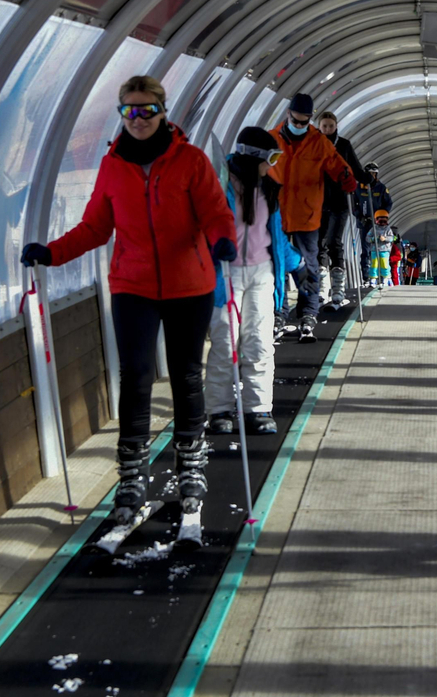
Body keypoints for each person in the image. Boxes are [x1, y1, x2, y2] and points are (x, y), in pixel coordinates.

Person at [22, 75, 237, 530]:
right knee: (136, 376)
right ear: (121, 114)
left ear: (163, 112)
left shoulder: (190, 161)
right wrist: (52, 252)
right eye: (128, 111)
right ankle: (132, 475)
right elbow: (95, 228)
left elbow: (216, 212)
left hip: (189, 285)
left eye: (146, 110)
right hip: (132, 285)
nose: (137, 120)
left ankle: (190, 466)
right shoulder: (112, 166)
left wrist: (222, 242)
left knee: (185, 375)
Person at [207, 128, 295, 436]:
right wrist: (214, 246)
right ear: (253, 156)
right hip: (225, 274)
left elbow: (276, 235)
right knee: (225, 343)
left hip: (261, 272)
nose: (272, 165)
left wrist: (296, 264)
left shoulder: (268, 189)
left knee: (259, 343)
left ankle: (257, 408)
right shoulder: (219, 183)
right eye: (270, 157)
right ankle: (218, 408)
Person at [270, 93, 357, 341]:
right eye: (296, 121)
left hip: (307, 214)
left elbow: (336, 163)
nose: (299, 126)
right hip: (277, 213)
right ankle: (279, 311)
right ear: (288, 115)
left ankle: (308, 313)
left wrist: (345, 176)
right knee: (278, 264)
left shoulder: (318, 142)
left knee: (309, 265)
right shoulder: (272, 139)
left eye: (304, 122)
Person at [315, 111, 366, 310]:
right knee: (320, 242)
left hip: (340, 201)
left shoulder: (343, 145)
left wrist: (367, 179)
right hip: (318, 200)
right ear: (319, 126)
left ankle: (338, 288)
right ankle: (322, 286)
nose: (327, 129)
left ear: (336, 126)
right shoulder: (314, 145)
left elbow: (355, 167)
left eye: (330, 126)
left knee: (335, 240)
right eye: (324, 126)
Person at [369, 209, 398, 287]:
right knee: (374, 265)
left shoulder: (388, 229)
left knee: (385, 265)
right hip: (375, 250)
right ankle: (373, 279)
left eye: (384, 219)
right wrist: (373, 239)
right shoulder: (373, 229)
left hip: (384, 250)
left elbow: (392, 238)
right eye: (380, 219)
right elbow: (367, 238)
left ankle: (386, 278)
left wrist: (385, 239)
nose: (382, 222)